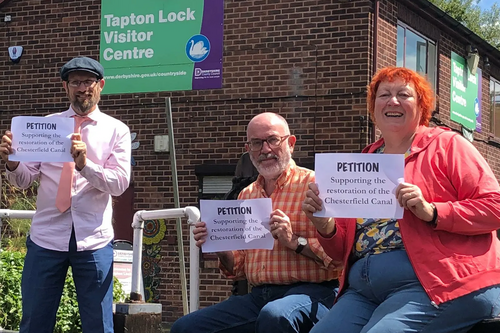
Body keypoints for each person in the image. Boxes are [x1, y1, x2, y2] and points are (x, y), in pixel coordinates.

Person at [303, 67, 500, 333]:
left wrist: (433, 212)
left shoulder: (448, 145)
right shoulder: (362, 162)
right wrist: (324, 225)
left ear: (422, 105)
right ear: (374, 108)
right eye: (384, 94)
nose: (392, 101)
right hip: (362, 290)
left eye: (403, 94)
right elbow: (340, 252)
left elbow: (494, 207)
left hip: (436, 282)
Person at [171, 112, 341, 333]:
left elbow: (338, 258)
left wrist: (294, 241)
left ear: (291, 143)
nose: (265, 149)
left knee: (275, 315)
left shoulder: (317, 185)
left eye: (272, 140)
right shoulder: (247, 195)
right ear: (248, 148)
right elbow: (239, 268)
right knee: (185, 328)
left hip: (314, 292)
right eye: (257, 143)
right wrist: (220, 246)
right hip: (259, 296)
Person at [0, 56, 131, 333]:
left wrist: (85, 166)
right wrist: (12, 162)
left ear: (101, 85)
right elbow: (24, 180)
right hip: (46, 238)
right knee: (35, 321)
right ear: (65, 87)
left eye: (88, 81)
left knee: (99, 325)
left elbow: (119, 183)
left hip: (93, 240)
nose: (82, 88)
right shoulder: (45, 126)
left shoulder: (116, 130)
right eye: (75, 82)